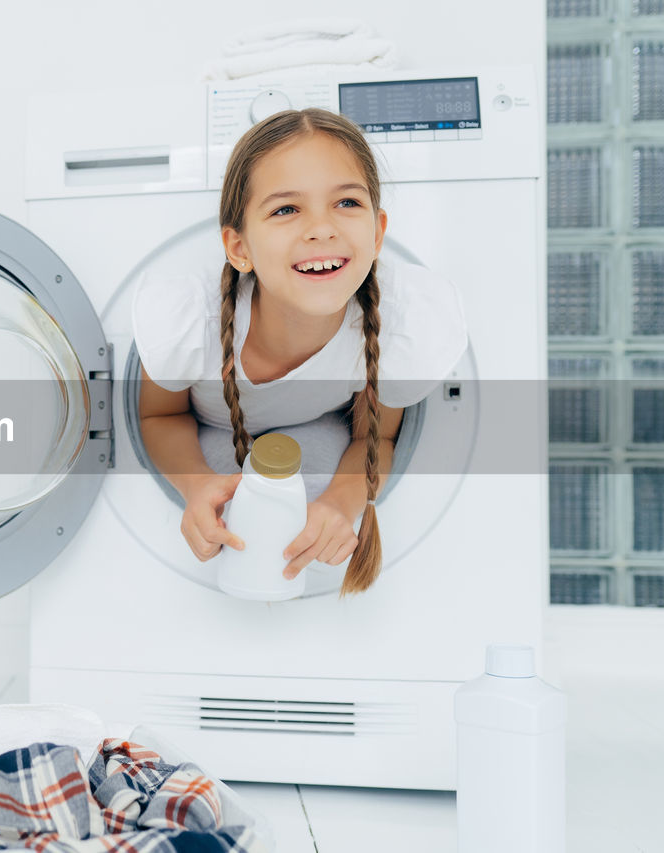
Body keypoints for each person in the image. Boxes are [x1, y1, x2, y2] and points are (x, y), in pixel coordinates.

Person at [134, 108, 467, 597]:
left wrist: (340, 503)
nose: (321, 229)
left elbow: (375, 441)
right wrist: (196, 486)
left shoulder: (400, 324)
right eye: (286, 209)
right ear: (238, 246)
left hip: (319, 440)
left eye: (347, 203)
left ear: (377, 233)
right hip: (212, 442)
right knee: (237, 506)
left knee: (306, 486)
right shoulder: (189, 320)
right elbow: (158, 419)